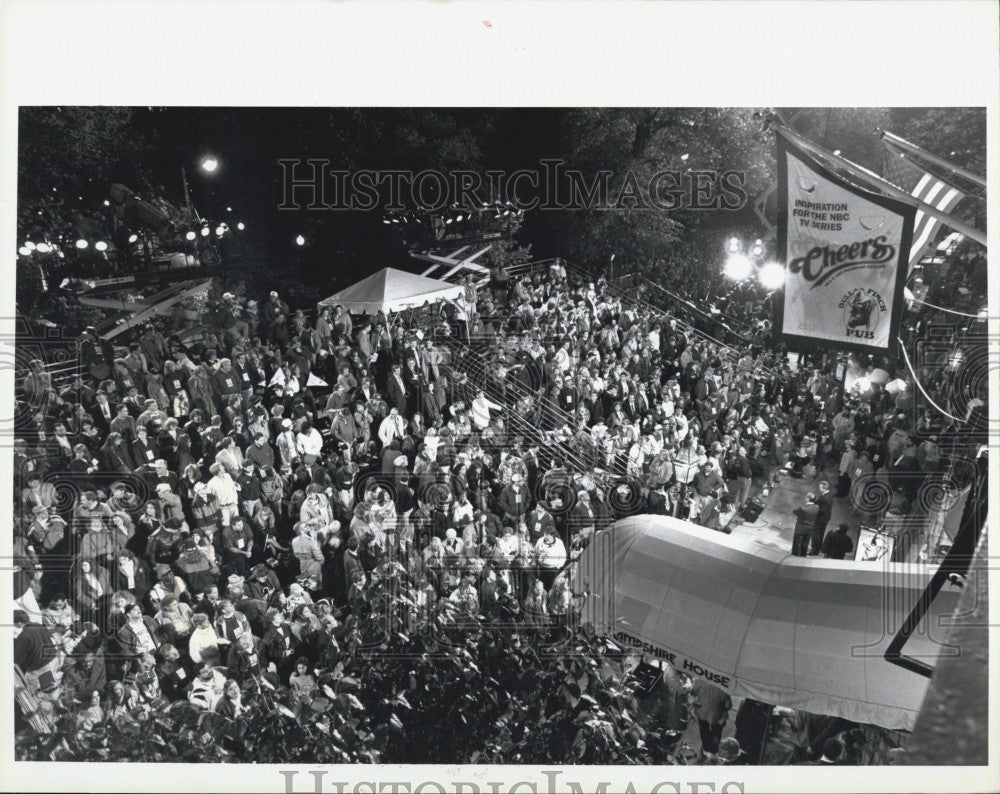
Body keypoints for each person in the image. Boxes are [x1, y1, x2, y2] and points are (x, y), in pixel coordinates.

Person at [690, 679, 732, 759]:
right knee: (716, 735)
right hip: (717, 717)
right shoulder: (723, 685)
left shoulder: (700, 679)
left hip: (702, 714)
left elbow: (693, 692)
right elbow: (728, 705)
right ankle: (713, 753)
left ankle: (705, 751)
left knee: (704, 732)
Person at [809, 480, 834, 556]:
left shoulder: (824, 499)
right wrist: (816, 499)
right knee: (820, 534)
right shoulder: (829, 495)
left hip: (820, 519)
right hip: (825, 518)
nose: (819, 489)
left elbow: (821, 510)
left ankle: (814, 551)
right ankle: (817, 548)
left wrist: (812, 505)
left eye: (820, 488)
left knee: (815, 534)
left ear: (824, 489)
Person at [791, 492, 819, 558]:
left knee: (797, 545)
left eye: (806, 497)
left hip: (800, 529)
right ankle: (803, 557)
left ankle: (795, 557)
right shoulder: (817, 507)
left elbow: (795, 512)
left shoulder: (803, 509)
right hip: (809, 529)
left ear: (808, 499)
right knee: (805, 545)